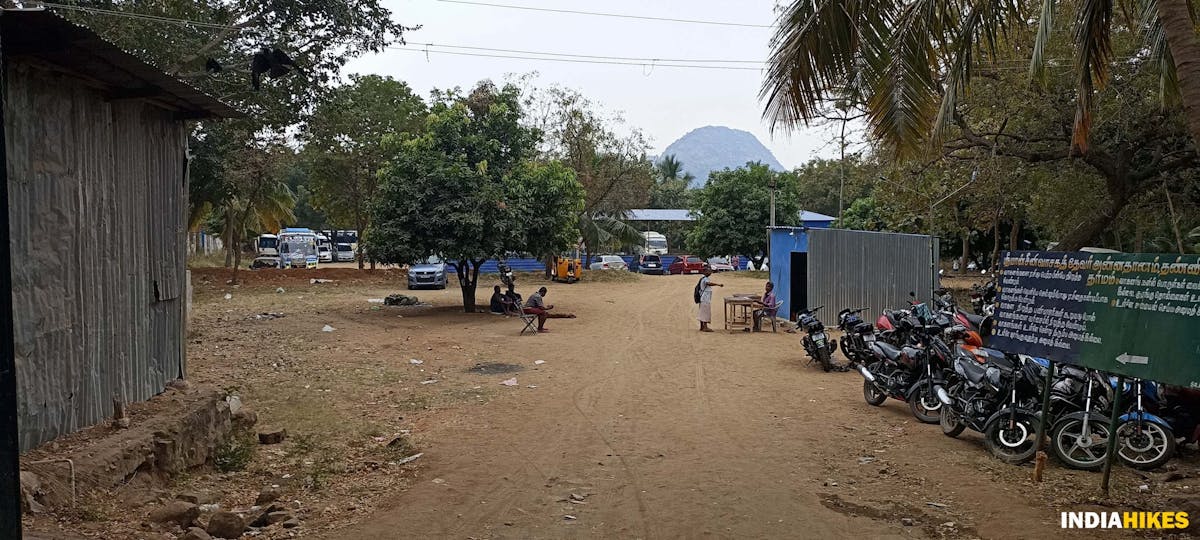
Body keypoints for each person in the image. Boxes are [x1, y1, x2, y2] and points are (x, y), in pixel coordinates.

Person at [697, 266, 723, 332]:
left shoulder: (703, 278)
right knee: (705, 313)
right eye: (709, 271)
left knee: (702, 312)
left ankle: (701, 327)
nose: (710, 272)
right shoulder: (705, 279)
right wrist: (718, 284)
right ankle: (705, 327)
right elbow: (708, 283)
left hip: (702, 298)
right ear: (704, 272)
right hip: (705, 299)